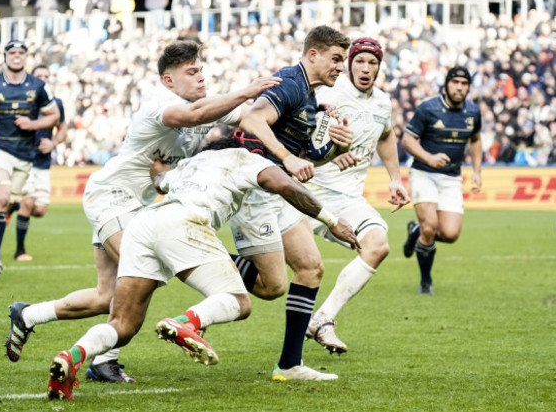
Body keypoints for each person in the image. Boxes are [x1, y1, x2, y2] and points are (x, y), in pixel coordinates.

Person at [3, 40, 281, 383]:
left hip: (134, 205)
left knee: (108, 296)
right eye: (190, 72)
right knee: (145, 275)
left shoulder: (208, 105)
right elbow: (195, 116)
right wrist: (246, 90)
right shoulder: (160, 103)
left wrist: (304, 124)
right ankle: (105, 361)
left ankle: (28, 314)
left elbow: (254, 117)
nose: (200, 77)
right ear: (168, 81)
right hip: (113, 196)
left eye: (201, 70)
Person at [46, 137, 360, 401]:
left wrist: (159, 170)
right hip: (184, 222)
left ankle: (72, 356)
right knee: (239, 301)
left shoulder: (191, 165)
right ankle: (186, 322)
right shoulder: (244, 158)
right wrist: (332, 221)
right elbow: (283, 185)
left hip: (143, 223)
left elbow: (159, 180)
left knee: (123, 323)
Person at [230, 25, 354, 381]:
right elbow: (252, 119)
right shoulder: (289, 81)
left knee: (311, 268)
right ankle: (200, 260)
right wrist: (286, 158)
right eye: (335, 59)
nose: (339, 67)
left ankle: (290, 365)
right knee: (271, 286)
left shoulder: (310, 100)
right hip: (256, 187)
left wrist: (335, 149)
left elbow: (304, 161)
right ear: (312, 54)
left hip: (278, 190)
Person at [300, 37, 410, 354]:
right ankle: (213, 305)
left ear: (379, 67)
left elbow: (386, 136)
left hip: (346, 199)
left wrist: (395, 180)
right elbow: (302, 135)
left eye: (372, 63)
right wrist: (328, 155)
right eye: (359, 61)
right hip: (305, 193)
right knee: (270, 277)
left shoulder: (381, 103)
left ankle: (322, 319)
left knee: (378, 244)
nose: (365, 68)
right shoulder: (327, 93)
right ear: (349, 64)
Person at [0, 40, 60, 278]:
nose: (17, 56)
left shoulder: (38, 86)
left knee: (7, 204)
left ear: (26, 57)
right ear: (5, 56)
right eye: (13, 52)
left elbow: (54, 116)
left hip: (25, 155)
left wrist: (32, 123)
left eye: (21, 52)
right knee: (1, 198)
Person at [402, 66, 482, 295]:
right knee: (431, 227)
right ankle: (426, 281)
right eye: (455, 82)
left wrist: (477, 171)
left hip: (451, 177)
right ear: (446, 85)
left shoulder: (473, 112)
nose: (460, 87)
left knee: (450, 234)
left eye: (464, 83)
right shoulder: (429, 108)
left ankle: (415, 231)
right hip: (423, 173)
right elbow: (407, 141)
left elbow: (476, 140)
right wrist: (429, 157)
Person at [11, 65, 67, 261]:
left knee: (40, 210)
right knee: (28, 202)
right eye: (39, 76)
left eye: (46, 75)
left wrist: (53, 143)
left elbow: (62, 129)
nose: (43, 78)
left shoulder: (56, 104)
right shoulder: (22, 101)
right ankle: (19, 251)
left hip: (43, 162)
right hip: (24, 160)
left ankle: (11, 207)